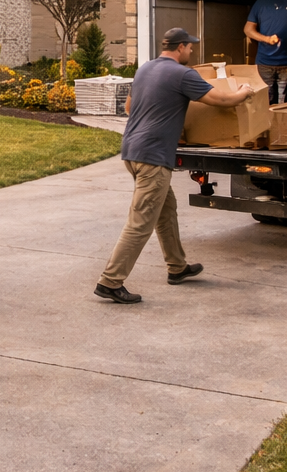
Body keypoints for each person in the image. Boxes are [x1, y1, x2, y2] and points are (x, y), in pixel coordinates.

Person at [96, 28, 253, 304]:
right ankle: (110, 281)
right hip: (153, 158)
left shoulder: (145, 69)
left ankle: (177, 267)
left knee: (165, 210)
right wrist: (243, 91)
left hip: (132, 152)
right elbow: (222, 101)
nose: (191, 52)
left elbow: (130, 109)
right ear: (180, 47)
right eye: (190, 47)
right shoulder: (183, 74)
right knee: (141, 222)